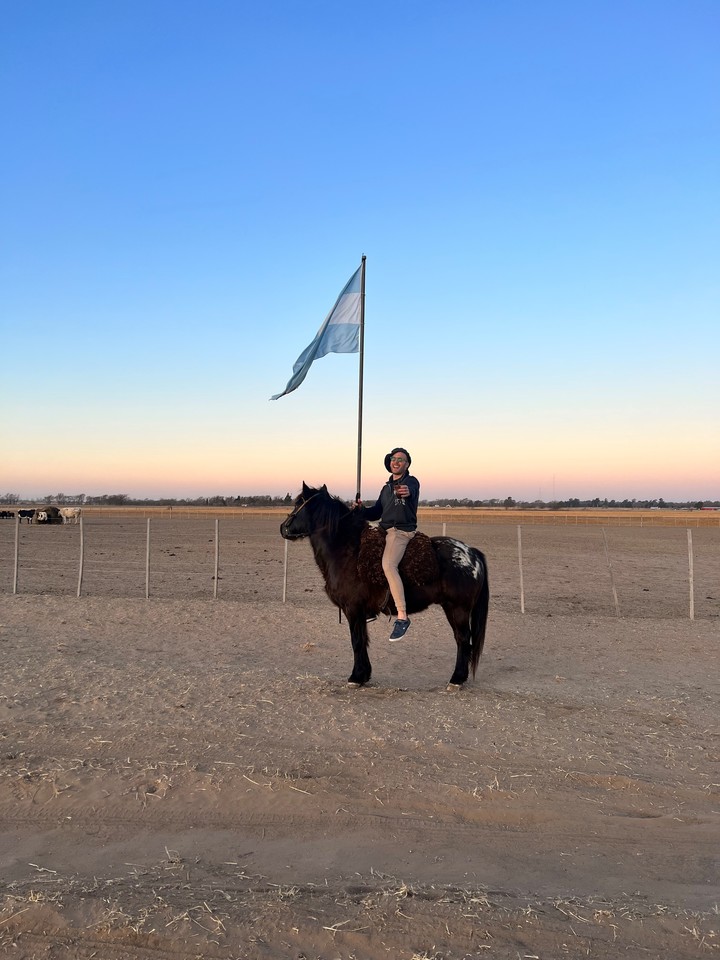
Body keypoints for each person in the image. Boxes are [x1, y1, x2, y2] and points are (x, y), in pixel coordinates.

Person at [354, 447, 420, 641]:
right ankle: (369, 608)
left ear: (407, 464)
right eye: (393, 458)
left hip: (400, 531)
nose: (396, 461)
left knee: (388, 565)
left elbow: (411, 491)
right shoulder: (386, 488)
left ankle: (402, 616)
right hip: (383, 529)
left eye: (401, 459)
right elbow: (376, 512)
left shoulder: (411, 482)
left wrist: (406, 491)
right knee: (361, 558)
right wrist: (361, 509)